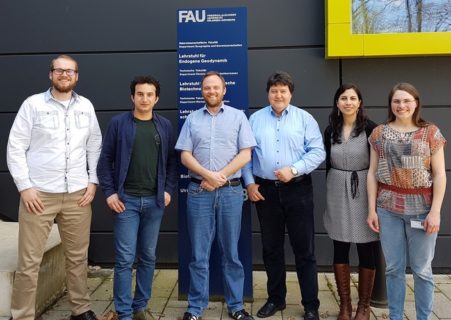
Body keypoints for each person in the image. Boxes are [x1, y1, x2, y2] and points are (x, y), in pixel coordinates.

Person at [6, 54, 102, 320]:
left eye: (70, 71)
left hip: (78, 196)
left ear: (77, 76)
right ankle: (22, 315)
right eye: (59, 70)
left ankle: (80, 309)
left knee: (77, 258)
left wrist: (92, 181)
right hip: (39, 195)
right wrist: (25, 187)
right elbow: (15, 147)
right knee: (29, 263)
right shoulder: (33, 105)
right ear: (50, 74)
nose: (64, 75)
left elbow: (94, 145)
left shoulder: (86, 106)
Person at [242, 71, 325, 320]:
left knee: (305, 250)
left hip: (298, 189)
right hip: (265, 191)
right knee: (271, 249)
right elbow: (246, 155)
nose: (278, 95)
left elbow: (317, 151)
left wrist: (294, 169)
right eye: (274, 91)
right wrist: (249, 184)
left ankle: (311, 305)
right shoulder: (254, 119)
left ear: (290, 93)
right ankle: (276, 299)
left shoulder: (304, 119)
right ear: (268, 93)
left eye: (283, 91)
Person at [175, 71, 256, 320]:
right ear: (202, 91)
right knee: (199, 254)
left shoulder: (238, 117)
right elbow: (185, 155)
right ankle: (195, 307)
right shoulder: (191, 119)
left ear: (224, 91)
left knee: (231, 252)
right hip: (199, 192)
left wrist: (218, 176)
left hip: (231, 192)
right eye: (207, 88)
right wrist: (207, 176)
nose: (211, 92)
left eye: (216, 88)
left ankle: (236, 306)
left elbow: (246, 155)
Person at [96, 76, 178, 320]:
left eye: (149, 94)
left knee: (149, 256)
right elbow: (105, 161)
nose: (144, 99)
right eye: (140, 94)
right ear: (132, 97)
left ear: (156, 98)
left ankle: (140, 305)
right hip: (126, 202)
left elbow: (173, 162)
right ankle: (124, 312)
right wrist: (109, 193)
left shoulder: (164, 126)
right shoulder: (119, 123)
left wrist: (168, 190)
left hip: (154, 203)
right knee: (124, 259)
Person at [367, 83, 446, 320]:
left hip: (422, 208)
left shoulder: (431, 132)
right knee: (393, 269)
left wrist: (436, 212)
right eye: (396, 101)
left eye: (406, 101)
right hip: (388, 207)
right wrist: (372, 210)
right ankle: (396, 317)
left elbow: (440, 174)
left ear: (416, 103)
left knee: (422, 270)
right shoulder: (379, 133)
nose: (401, 106)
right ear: (391, 104)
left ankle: (424, 317)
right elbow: (371, 173)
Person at [323, 84, 379, 320]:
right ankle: (345, 305)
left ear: (359, 102)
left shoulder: (371, 129)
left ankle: (363, 306)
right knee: (340, 245)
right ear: (337, 103)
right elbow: (327, 162)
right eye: (343, 98)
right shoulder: (330, 130)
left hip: (364, 188)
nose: (348, 102)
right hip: (336, 186)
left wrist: (375, 204)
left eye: (352, 98)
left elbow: (377, 167)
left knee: (366, 246)